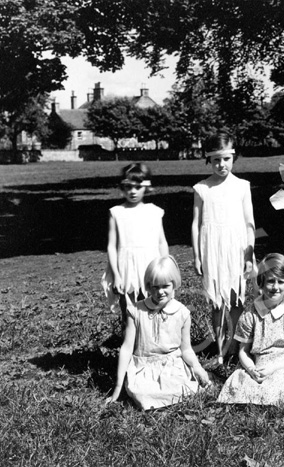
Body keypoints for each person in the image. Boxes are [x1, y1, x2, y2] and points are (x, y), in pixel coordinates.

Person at [105, 256, 213, 410]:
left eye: (165, 286)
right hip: (144, 367)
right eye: (155, 287)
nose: (160, 292)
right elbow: (127, 348)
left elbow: (186, 349)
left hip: (171, 366)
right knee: (142, 393)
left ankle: (181, 389)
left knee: (182, 387)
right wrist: (118, 386)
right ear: (148, 287)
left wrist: (197, 366)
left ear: (174, 285)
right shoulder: (136, 311)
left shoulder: (182, 313)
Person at [217, 254, 284, 405]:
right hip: (260, 364)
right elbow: (243, 350)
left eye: (281, 282)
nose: (275, 287)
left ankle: (273, 396)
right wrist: (251, 369)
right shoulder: (250, 314)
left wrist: (273, 368)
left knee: (280, 381)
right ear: (261, 284)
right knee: (239, 382)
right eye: (270, 281)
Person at [191, 132, 255, 368]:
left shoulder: (242, 186)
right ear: (209, 160)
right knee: (217, 302)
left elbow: (250, 222)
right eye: (216, 160)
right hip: (212, 249)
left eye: (226, 159)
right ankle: (220, 349)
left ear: (233, 158)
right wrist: (197, 255)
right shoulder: (202, 188)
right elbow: (196, 224)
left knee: (236, 299)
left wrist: (250, 254)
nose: (221, 164)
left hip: (236, 248)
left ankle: (235, 346)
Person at [102, 163, 169, 318]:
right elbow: (112, 246)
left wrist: (165, 268)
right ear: (122, 188)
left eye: (137, 187)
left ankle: (151, 341)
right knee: (129, 309)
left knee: (152, 307)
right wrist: (116, 274)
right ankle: (130, 340)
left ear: (146, 187)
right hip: (126, 266)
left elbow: (161, 242)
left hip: (150, 265)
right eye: (128, 187)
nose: (132, 191)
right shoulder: (117, 213)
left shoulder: (154, 212)